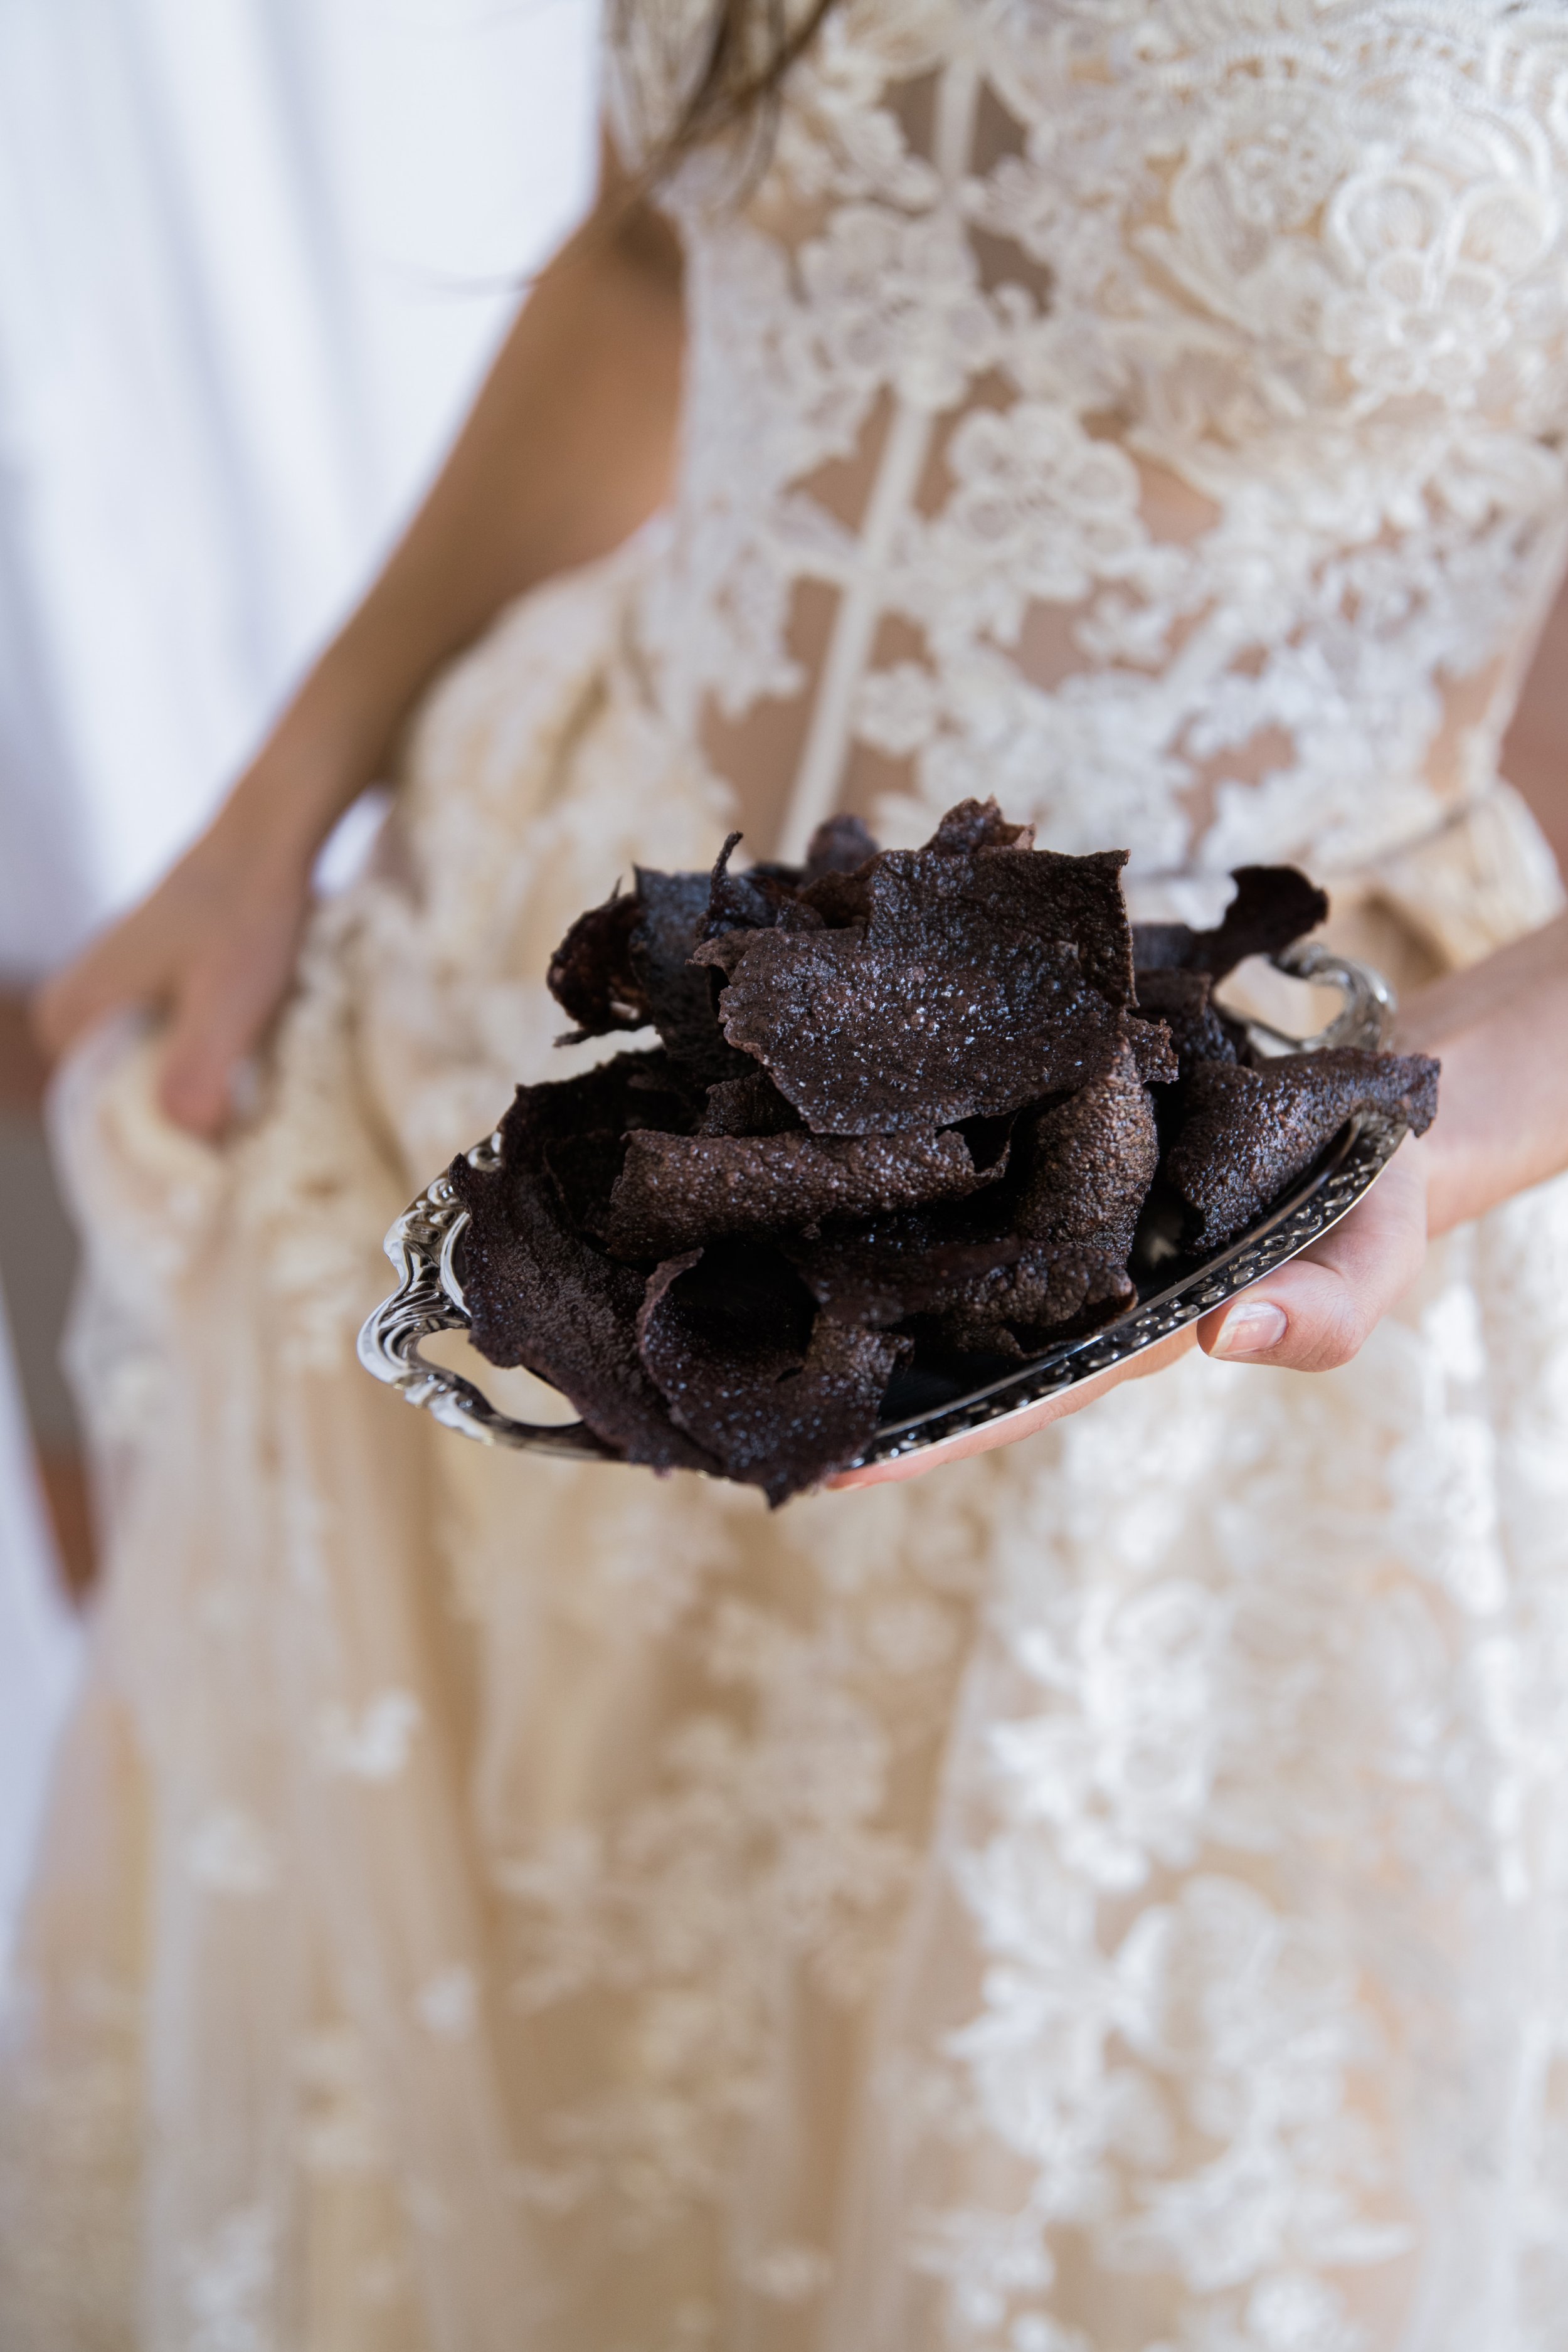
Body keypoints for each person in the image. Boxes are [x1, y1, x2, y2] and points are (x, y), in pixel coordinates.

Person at [8, 1, 1568, 2342]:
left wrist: (1391, 1120)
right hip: (558, 1032)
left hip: (1166, 1225)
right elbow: (663, 250)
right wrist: (271, 817)